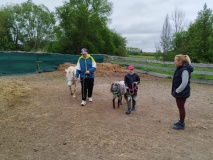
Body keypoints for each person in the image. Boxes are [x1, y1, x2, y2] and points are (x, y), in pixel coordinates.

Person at [171, 54, 194, 130]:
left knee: (181, 107)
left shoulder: (184, 70)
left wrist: (177, 91)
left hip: (182, 93)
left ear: (180, 61)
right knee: (180, 107)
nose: (174, 61)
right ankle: (181, 121)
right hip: (181, 92)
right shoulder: (180, 68)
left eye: (175, 60)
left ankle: (181, 124)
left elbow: (184, 82)